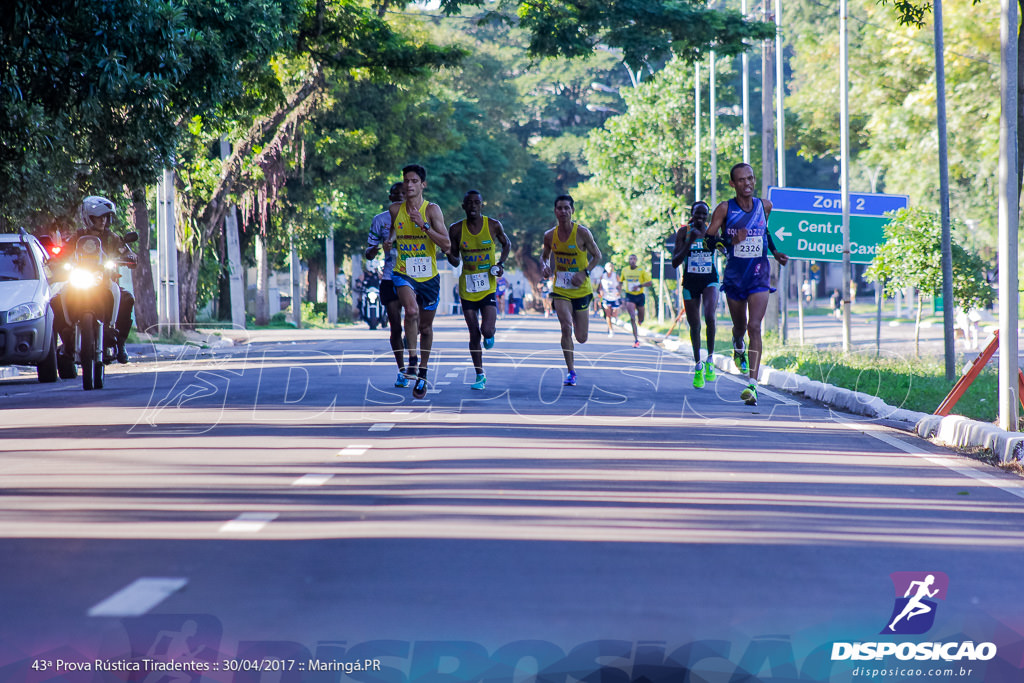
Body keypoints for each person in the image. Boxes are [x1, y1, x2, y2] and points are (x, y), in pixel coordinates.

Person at [705, 163, 788, 406]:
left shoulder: (765, 206)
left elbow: (765, 232)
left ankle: (753, 385)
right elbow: (709, 242)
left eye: (750, 178)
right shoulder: (724, 209)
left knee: (755, 326)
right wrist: (730, 239)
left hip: (759, 274)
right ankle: (737, 344)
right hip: (734, 277)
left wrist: (775, 251)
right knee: (740, 326)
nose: (747, 183)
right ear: (732, 184)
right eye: (741, 180)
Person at [384, 164, 450, 399]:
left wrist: (423, 224)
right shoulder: (394, 209)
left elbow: (447, 245)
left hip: (429, 277)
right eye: (406, 181)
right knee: (410, 312)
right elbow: (393, 230)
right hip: (404, 272)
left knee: (426, 328)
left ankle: (422, 373)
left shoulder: (432, 210)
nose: (409, 185)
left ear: (423, 184)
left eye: (414, 181)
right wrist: (390, 241)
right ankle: (412, 358)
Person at [52, 196, 137, 364]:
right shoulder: (77, 236)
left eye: (105, 217)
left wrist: (131, 256)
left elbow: (125, 252)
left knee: (127, 298)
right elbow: (62, 253)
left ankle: (120, 344)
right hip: (79, 280)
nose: (103, 221)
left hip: (105, 282)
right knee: (55, 301)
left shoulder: (112, 237)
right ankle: (67, 340)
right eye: (99, 217)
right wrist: (55, 258)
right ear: (89, 218)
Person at [447, 190, 511, 391]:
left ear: (482, 205)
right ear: (463, 206)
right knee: (474, 333)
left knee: (486, 330)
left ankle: (490, 333)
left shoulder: (493, 225)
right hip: (467, 288)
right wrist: (448, 253)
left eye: (477, 202)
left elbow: (506, 243)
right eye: (469, 203)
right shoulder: (456, 229)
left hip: (488, 286)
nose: (473, 206)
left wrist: (500, 263)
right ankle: (479, 374)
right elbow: (455, 259)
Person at [541, 194, 601, 386]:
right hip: (561, 289)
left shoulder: (583, 233)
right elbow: (544, 256)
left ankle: (577, 320)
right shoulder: (549, 235)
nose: (563, 211)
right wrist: (544, 266)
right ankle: (571, 371)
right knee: (565, 327)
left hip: (581, 289)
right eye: (560, 208)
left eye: (567, 208)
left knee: (581, 338)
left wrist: (584, 273)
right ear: (555, 211)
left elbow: (597, 256)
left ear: (572, 210)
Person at [672, 201, 720, 389]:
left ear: (708, 216)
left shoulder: (712, 230)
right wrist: (689, 243)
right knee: (695, 325)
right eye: (697, 214)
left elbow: (724, 247)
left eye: (704, 215)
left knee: (709, 316)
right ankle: (698, 365)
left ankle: (710, 360)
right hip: (690, 282)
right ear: (692, 214)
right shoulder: (684, 232)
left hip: (709, 279)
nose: (700, 218)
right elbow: (675, 262)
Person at [365, 182, 407, 386]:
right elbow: (369, 250)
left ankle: (412, 346)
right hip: (390, 277)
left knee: (414, 322)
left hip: (414, 278)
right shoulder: (379, 220)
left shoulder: (418, 217)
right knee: (395, 327)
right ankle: (402, 370)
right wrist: (375, 250)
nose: (400, 197)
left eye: (403, 194)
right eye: (396, 195)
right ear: (390, 198)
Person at [620, 254, 653, 348]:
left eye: (634, 259)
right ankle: (636, 340)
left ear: (636, 260)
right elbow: (621, 281)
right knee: (632, 317)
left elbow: (650, 283)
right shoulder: (624, 270)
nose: (632, 260)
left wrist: (639, 286)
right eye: (631, 259)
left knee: (641, 318)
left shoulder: (641, 270)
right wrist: (618, 290)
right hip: (629, 296)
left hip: (639, 296)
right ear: (628, 260)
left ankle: (640, 320)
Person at [597, 262, 622, 337]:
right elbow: (599, 286)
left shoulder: (615, 275)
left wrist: (619, 292)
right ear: (606, 268)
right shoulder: (603, 276)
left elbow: (620, 284)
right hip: (606, 297)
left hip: (614, 296)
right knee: (608, 314)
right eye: (608, 267)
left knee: (613, 314)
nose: (610, 268)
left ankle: (614, 319)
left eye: (611, 267)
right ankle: (611, 330)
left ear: (613, 268)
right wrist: (600, 291)